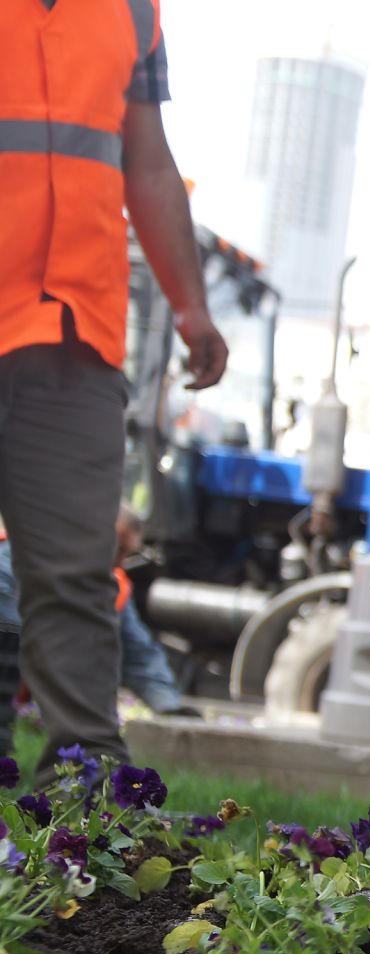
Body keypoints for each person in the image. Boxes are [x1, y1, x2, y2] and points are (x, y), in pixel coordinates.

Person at [1, 0, 226, 781]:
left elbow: (149, 163)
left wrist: (192, 305)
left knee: (74, 574)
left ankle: (85, 795)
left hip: (75, 332)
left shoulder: (133, 11)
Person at [0, 507, 189, 756]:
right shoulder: (17, 558)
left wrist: (168, 705)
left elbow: (138, 654)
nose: (120, 562)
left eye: (127, 553)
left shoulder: (114, 587)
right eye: (117, 549)